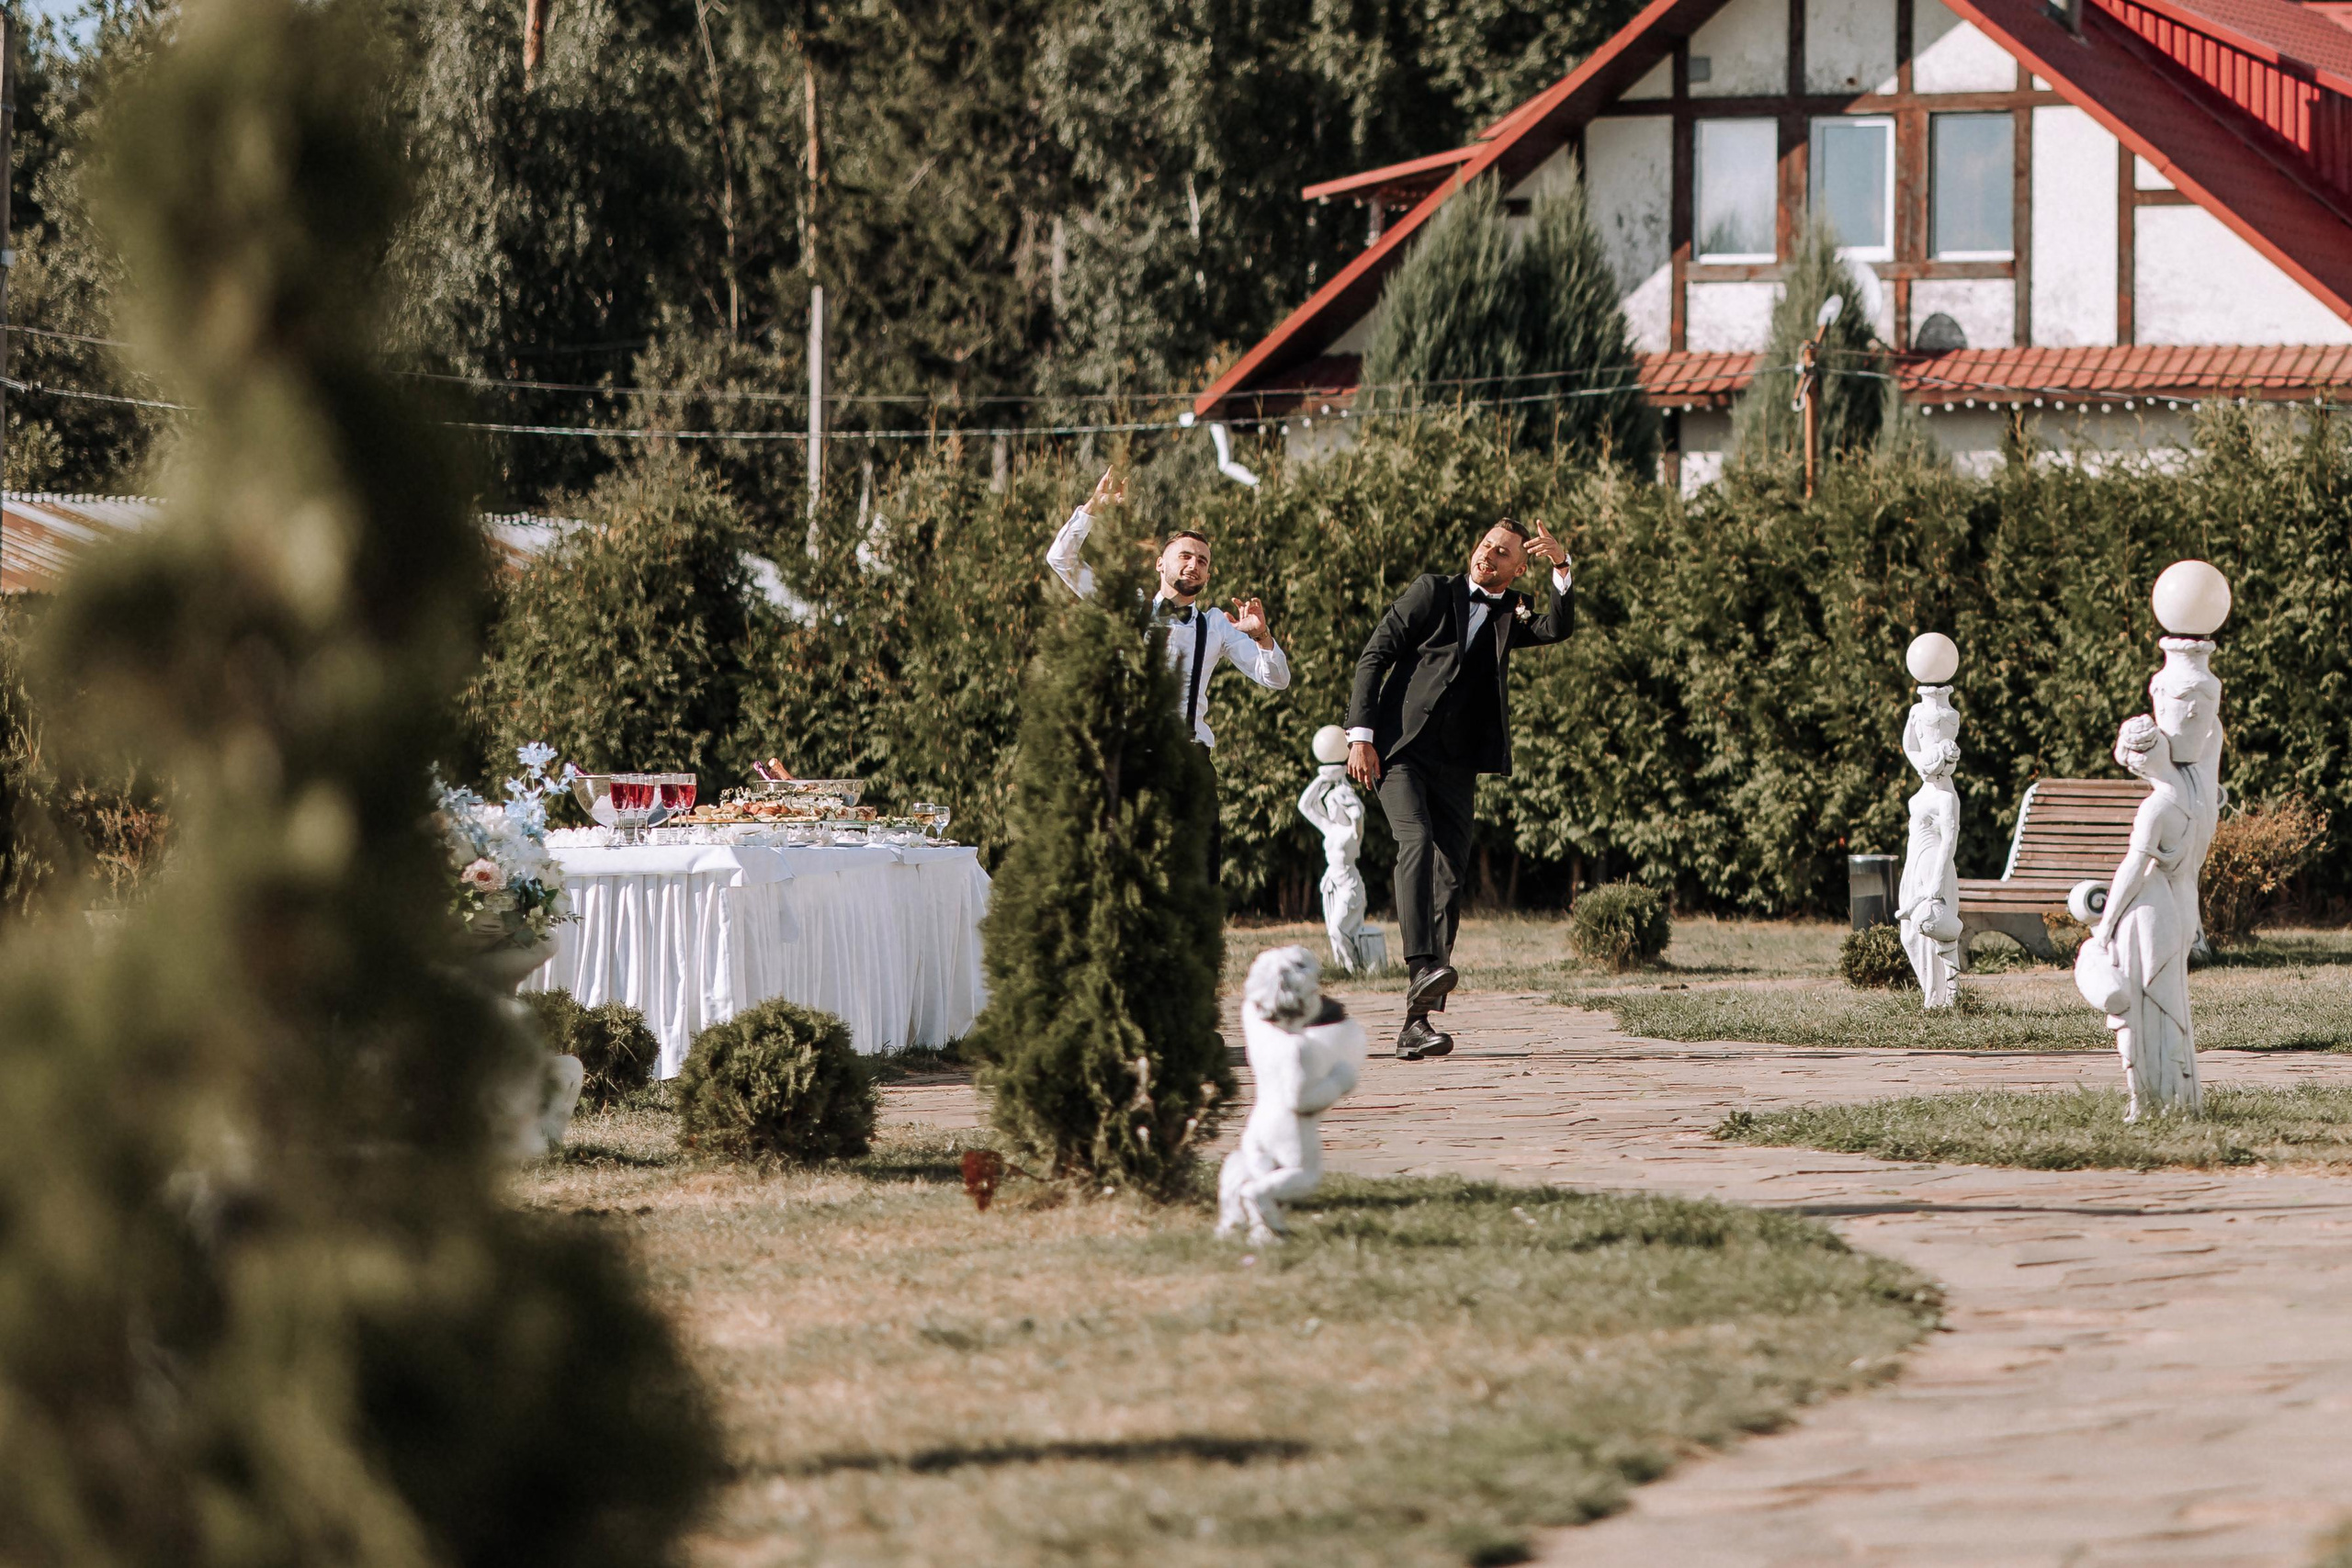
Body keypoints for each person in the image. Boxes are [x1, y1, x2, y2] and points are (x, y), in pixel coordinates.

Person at [1344, 518, 1573, 1059]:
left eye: (1504, 554)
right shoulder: (1432, 592)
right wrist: (1361, 735)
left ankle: (1416, 1024)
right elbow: (1374, 655)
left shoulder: (1511, 611)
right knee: (1416, 843)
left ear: (1520, 567)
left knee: (1450, 875)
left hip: (1457, 767)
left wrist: (1563, 568)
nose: (1488, 556)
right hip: (1399, 752)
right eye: (1485, 545)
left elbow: (1555, 629)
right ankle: (1423, 964)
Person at [1046, 468, 1290, 886]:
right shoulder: (1126, 604)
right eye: (1185, 556)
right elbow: (1061, 560)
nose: (1194, 565)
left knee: (1198, 881)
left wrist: (1264, 636)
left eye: (1202, 561)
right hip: (1131, 763)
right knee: (1130, 880)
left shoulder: (1217, 625)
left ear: (1208, 575)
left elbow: (1276, 679)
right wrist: (1095, 507)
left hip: (1191, 765)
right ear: (1161, 564)